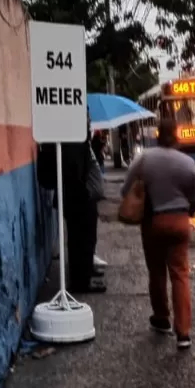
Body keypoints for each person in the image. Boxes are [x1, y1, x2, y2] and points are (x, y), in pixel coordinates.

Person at [121, 118, 195, 349]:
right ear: (176, 135)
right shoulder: (188, 163)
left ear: (157, 134)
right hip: (179, 222)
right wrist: (189, 210)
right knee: (180, 274)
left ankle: (162, 318)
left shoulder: (144, 159)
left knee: (156, 272)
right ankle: (183, 333)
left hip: (153, 222)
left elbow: (126, 189)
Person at [62, 116, 106, 294]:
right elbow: (77, 172)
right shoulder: (76, 145)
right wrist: (85, 193)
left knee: (85, 240)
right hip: (80, 200)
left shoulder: (82, 143)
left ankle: (84, 274)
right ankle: (81, 282)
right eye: (86, 121)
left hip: (82, 199)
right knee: (81, 241)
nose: (89, 124)